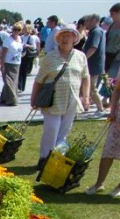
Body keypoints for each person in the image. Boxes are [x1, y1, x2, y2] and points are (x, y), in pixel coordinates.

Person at [31, 24, 90, 169]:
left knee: (64, 130)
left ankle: (56, 157)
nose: (65, 39)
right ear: (58, 38)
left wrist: (86, 97)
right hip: (53, 99)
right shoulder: (50, 57)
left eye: (68, 36)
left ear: (74, 39)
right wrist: (34, 100)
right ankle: (44, 158)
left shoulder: (80, 56)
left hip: (72, 99)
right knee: (51, 128)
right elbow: (39, 80)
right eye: (62, 36)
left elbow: (86, 77)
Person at [85, 67, 120, 197]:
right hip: (118, 116)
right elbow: (117, 89)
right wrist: (112, 110)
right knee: (108, 150)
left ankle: (119, 187)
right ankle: (99, 183)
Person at [83, 14, 107, 116]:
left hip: (93, 64)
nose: (85, 23)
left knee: (92, 88)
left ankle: (100, 109)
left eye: (87, 21)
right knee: (90, 88)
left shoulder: (96, 32)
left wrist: (83, 59)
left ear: (93, 20)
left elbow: (93, 48)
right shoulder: (99, 31)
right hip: (96, 64)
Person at [0, 23, 24, 106]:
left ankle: (3, 98)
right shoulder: (8, 40)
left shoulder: (20, 39)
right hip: (8, 63)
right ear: (12, 30)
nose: (16, 31)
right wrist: (2, 65)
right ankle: (12, 100)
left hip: (17, 63)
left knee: (14, 82)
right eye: (15, 30)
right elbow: (3, 54)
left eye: (18, 30)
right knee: (9, 82)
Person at [18, 24, 40, 93]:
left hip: (27, 56)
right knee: (19, 70)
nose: (23, 29)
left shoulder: (31, 38)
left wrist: (27, 45)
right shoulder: (21, 37)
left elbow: (34, 47)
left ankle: (22, 87)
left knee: (24, 71)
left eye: (24, 28)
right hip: (21, 55)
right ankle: (19, 86)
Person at [106, 4, 120, 79]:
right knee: (106, 80)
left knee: (111, 82)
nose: (110, 16)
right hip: (108, 57)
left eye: (112, 14)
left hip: (117, 59)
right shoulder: (112, 25)